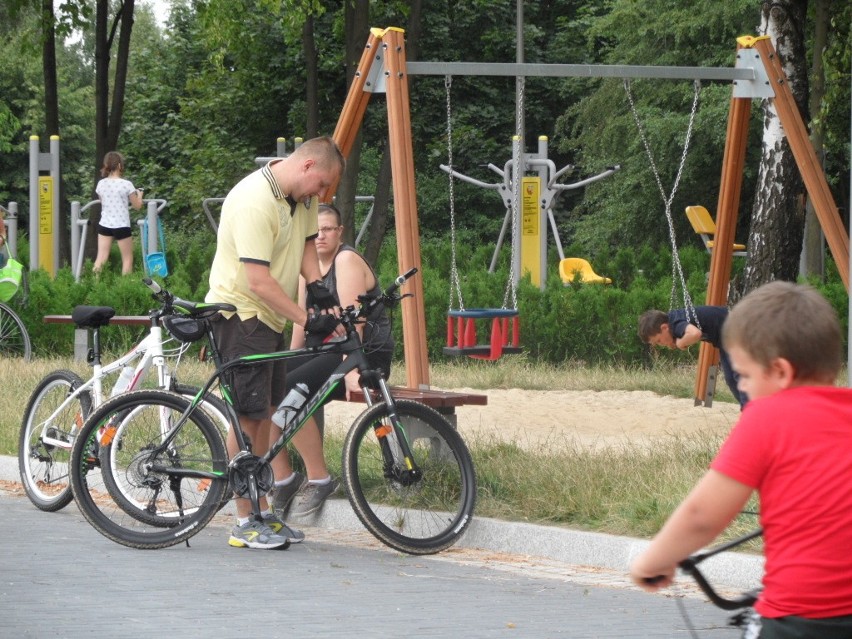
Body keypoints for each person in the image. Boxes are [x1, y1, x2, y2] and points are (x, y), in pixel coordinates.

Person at [630, 281, 852, 637]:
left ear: (780, 372)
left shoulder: (766, 420)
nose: (742, 387)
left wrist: (654, 560)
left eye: (745, 375)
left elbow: (702, 516)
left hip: (802, 617)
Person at [205, 136, 345, 550]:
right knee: (248, 418)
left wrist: (318, 287)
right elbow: (257, 280)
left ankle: (263, 509)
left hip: (270, 316)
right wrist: (306, 318)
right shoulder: (254, 200)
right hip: (242, 314)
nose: (320, 196)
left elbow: (304, 246)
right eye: (321, 185)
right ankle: (243, 518)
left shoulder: (299, 201)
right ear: (305, 167)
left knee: (265, 413)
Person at [268, 203, 395, 518]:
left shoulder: (346, 260)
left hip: (356, 353)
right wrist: (291, 356)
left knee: (287, 393)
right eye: (316, 231)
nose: (321, 236)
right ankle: (281, 477)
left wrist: (353, 372)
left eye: (328, 229)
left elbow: (357, 323)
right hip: (323, 351)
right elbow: (300, 321)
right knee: (267, 384)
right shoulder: (308, 267)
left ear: (339, 232)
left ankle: (319, 478)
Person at [638, 305, 747, 408]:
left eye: (659, 340)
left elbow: (695, 334)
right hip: (728, 336)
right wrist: (676, 342)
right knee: (731, 379)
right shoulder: (674, 322)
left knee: (740, 376)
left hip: (736, 329)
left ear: (664, 327)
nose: (661, 344)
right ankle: (750, 409)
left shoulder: (675, 324)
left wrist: (681, 343)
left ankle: (750, 411)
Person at [94, 151, 144, 275]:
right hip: (121, 225)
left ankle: (93, 287)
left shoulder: (101, 183)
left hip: (105, 224)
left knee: (100, 259)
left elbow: (103, 202)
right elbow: (137, 206)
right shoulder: (127, 184)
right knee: (127, 259)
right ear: (120, 166)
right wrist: (140, 195)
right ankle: (124, 290)